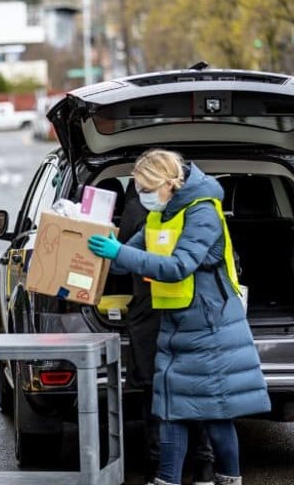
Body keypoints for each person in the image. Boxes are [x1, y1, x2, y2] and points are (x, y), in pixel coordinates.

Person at [88, 149, 270, 485]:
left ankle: (228, 479)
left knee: (215, 415)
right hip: (175, 325)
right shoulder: (161, 215)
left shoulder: (203, 213)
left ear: (168, 184)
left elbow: (178, 267)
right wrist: (89, 248)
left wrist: (120, 252)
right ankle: (167, 480)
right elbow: (128, 255)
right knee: (171, 411)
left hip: (210, 327)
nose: (141, 195)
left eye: (145, 188)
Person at [118, 181, 214, 485]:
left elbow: (120, 262)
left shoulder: (136, 209)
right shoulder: (202, 211)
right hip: (188, 310)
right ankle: (203, 467)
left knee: (155, 393)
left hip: (151, 312)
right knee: (190, 390)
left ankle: (160, 468)